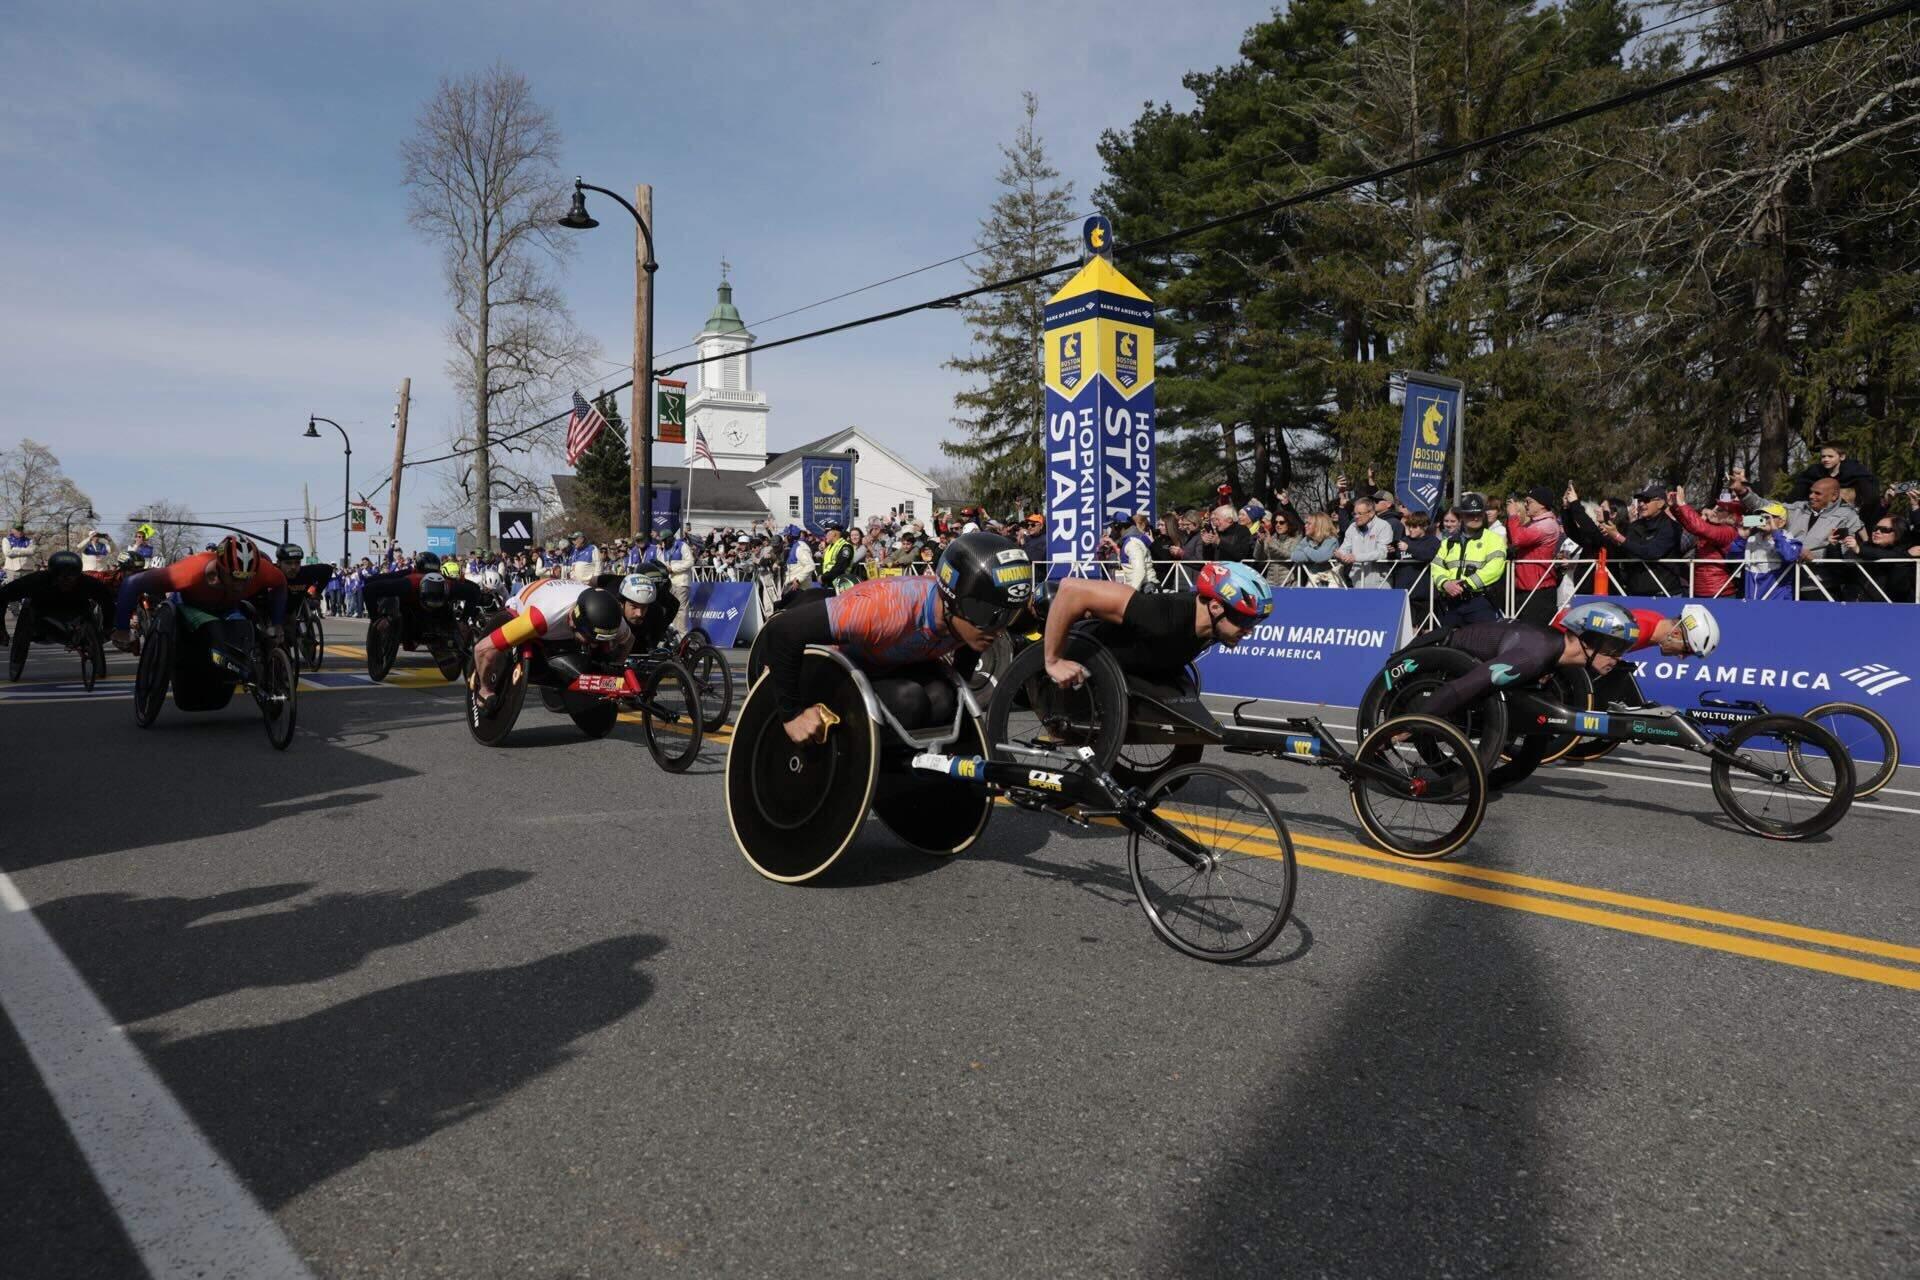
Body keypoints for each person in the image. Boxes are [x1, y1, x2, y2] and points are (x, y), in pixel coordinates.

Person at [759, 531, 1033, 746]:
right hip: (831, 670)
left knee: (944, 699)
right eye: (990, 615)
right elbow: (782, 630)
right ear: (953, 601)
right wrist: (791, 715)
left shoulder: (972, 623)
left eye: (1006, 616)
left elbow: (962, 667)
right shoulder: (883, 609)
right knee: (909, 700)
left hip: (885, 668)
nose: (997, 630)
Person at [1041, 560, 1273, 699]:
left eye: (1255, 623)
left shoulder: (1214, 627)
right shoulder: (1159, 615)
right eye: (1245, 621)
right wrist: (1053, 660)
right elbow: (1072, 589)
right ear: (1215, 607)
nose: (1249, 630)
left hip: (1129, 669)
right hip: (1078, 661)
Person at [1410, 600, 1649, 725]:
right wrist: (1412, 722)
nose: (1618, 658)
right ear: (1587, 642)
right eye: (1614, 649)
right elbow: (1465, 687)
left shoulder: (1556, 654)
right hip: (1436, 652)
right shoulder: (1533, 656)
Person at [470, 580, 647, 714]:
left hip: (570, 595)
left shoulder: (614, 620)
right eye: (589, 639)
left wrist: (615, 665)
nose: (593, 644)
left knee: (605, 647)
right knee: (495, 648)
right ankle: (485, 690)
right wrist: (485, 688)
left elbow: (628, 641)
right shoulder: (538, 619)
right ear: (572, 621)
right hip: (531, 603)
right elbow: (482, 649)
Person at [109, 536, 289, 654]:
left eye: (247, 579)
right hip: (188, 605)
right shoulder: (190, 571)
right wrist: (122, 629)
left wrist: (277, 624)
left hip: (227, 607)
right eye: (235, 577)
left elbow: (280, 583)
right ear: (220, 569)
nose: (240, 585)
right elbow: (131, 583)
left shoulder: (263, 571)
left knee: (245, 634)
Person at [0, 550, 118, 659]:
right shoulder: (36, 581)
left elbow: (107, 602)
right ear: (52, 575)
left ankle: (81, 636)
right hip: (42, 619)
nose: (66, 581)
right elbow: (3, 596)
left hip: (77, 614)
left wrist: (107, 628)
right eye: (62, 577)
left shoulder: (89, 583)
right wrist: (2, 629)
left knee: (102, 608)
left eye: (71, 577)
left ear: (78, 575)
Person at [1430, 493, 1507, 625]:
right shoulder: (1448, 542)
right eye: (1470, 514)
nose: (1476, 518)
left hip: (1480, 602)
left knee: (1481, 644)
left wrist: (1466, 584)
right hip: (1452, 603)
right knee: (1449, 643)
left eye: (1479, 514)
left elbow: (1495, 568)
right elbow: (1437, 566)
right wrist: (1445, 584)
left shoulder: (1494, 539)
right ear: (1462, 517)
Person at [1503, 487, 1563, 625]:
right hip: (1526, 587)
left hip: (1538, 589)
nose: (1525, 505)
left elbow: (1518, 539)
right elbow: (1514, 540)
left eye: (1529, 502)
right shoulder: (1534, 523)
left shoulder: (1546, 525)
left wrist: (1513, 516)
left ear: (1541, 504)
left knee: (1534, 632)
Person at [1668, 486, 1738, 598]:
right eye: (1714, 507)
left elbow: (1699, 527)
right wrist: (1675, 507)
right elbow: (1690, 526)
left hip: (1719, 592)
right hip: (1701, 590)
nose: (1714, 511)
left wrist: (1682, 504)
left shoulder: (1728, 531)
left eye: (1720, 510)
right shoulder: (1714, 528)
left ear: (1731, 515)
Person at [1789, 442, 1878, 526]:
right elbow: (1798, 492)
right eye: (1823, 457)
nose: (1826, 459)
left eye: (1830, 456)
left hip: (1848, 511)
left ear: (1842, 457)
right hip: (1820, 512)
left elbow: (1870, 495)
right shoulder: (1815, 472)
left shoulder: (1854, 471)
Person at [1728, 502, 1801, 600]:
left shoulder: (1791, 541)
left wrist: (1775, 533)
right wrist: (1742, 537)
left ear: (1782, 522)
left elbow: (1789, 556)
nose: (1763, 520)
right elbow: (1732, 558)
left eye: (1768, 517)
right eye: (1760, 516)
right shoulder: (1751, 539)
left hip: (1778, 601)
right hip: (1751, 600)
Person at [1334, 496, 1393, 588]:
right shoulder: (1352, 527)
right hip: (1356, 580)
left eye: (1360, 513)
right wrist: (1340, 555)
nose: (1356, 517)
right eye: (1354, 514)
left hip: (1380, 582)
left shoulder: (1384, 526)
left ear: (1371, 513)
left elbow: (1382, 552)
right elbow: (1345, 548)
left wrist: (1356, 557)